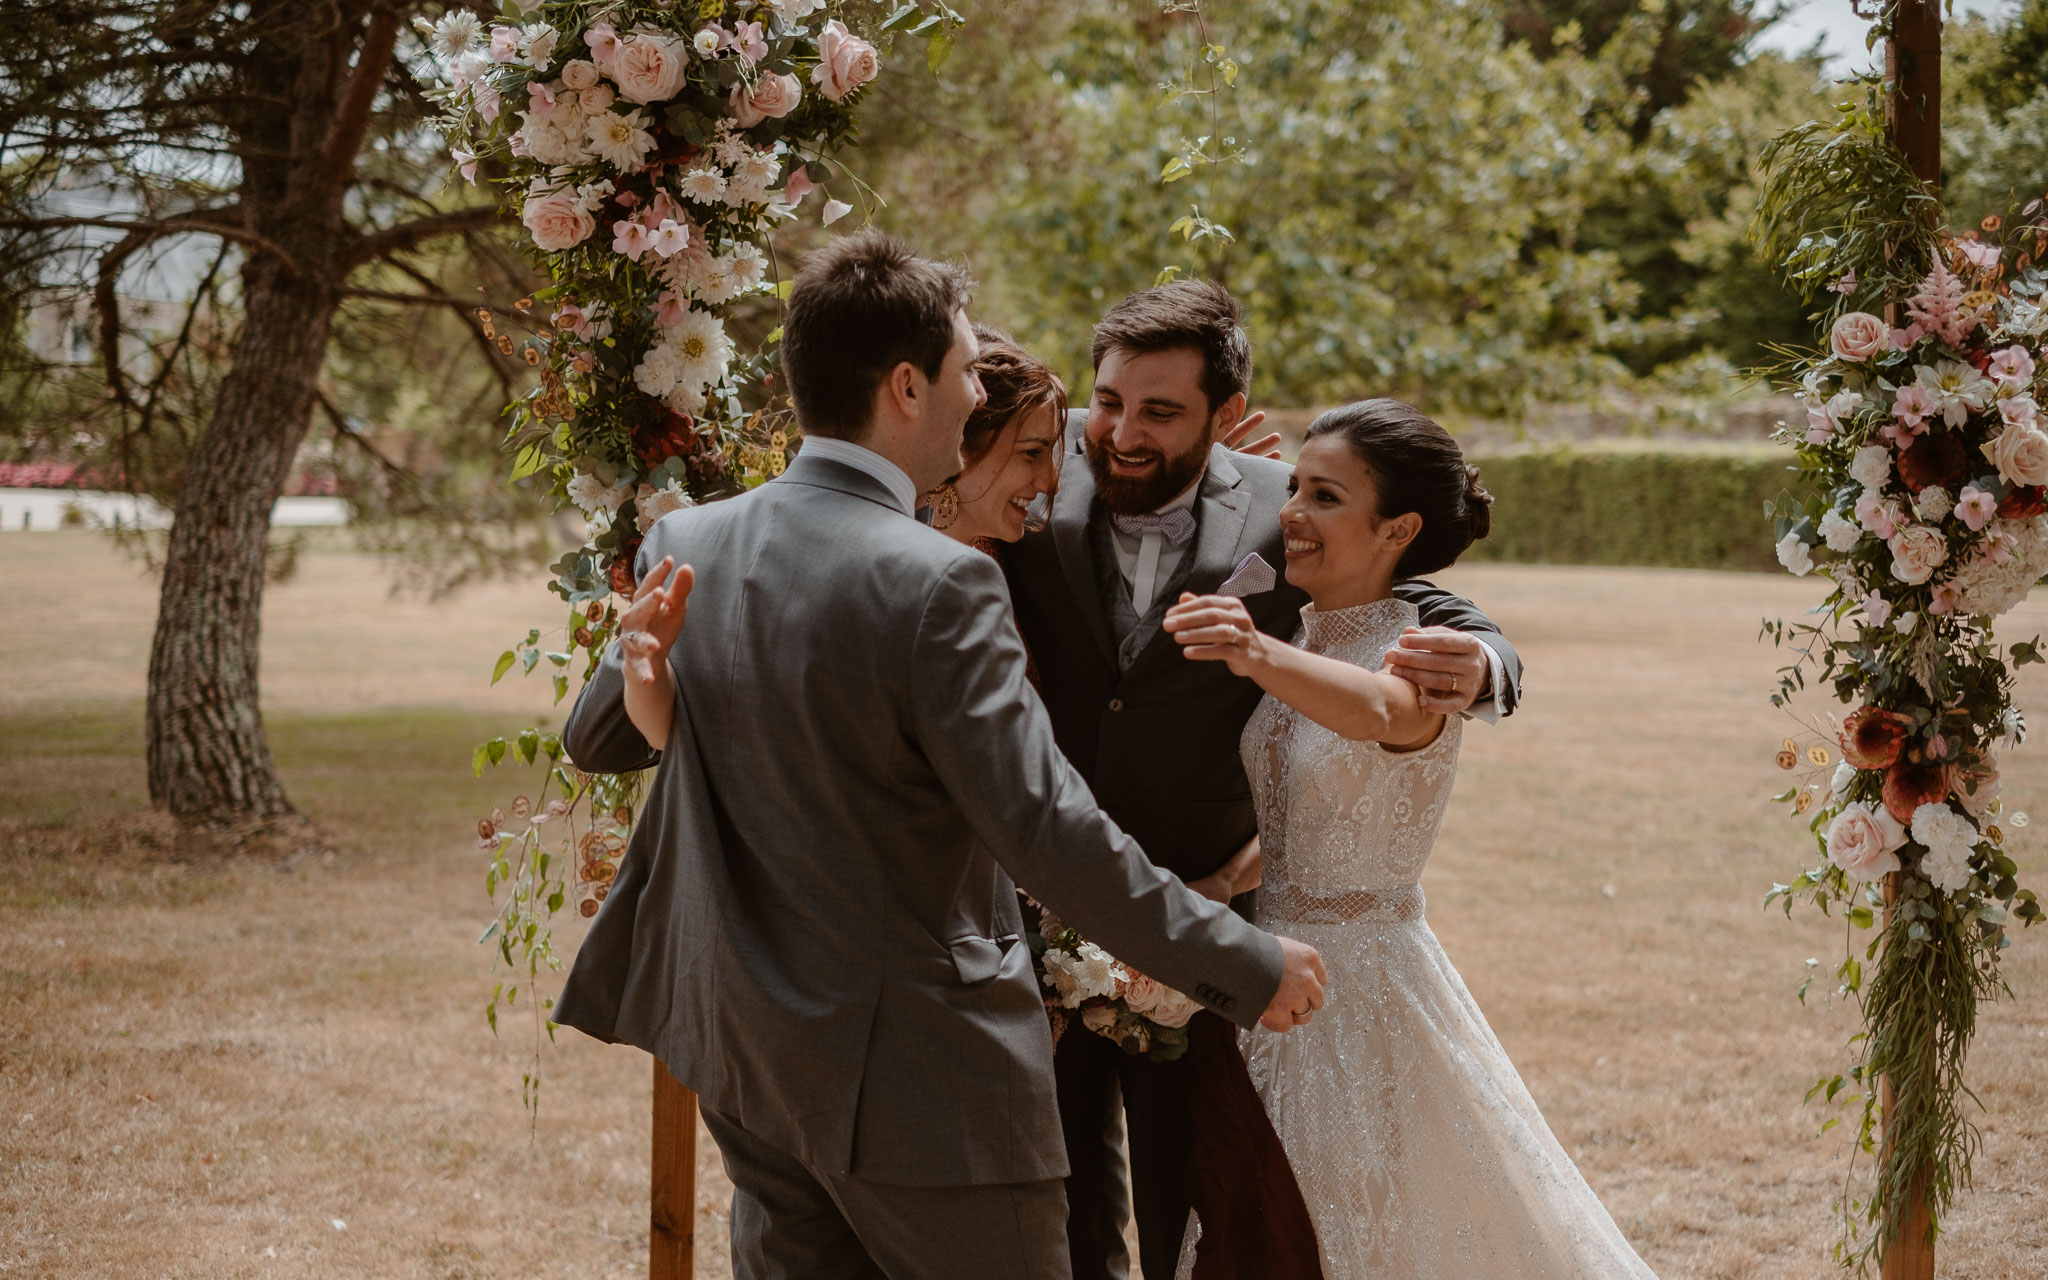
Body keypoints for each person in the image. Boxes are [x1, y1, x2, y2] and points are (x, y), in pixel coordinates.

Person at [548, 230, 1328, 1280]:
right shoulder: (937, 582)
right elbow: (1041, 825)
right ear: (905, 386)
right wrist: (1238, 957)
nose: (976, 395)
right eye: (966, 370)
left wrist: (638, 670)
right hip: (921, 1080)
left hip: (743, 1052)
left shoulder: (690, 539)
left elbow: (592, 738)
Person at [1000, 281, 1524, 1280]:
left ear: (1220, 415)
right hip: (1040, 911)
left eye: (1160, 411)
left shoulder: (1281, 512)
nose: (1119, 432)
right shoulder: (1029, 470)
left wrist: (1488, 656)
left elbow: (1399, 592)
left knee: (1194, 1213)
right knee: (1055, 1219)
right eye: (1108, 401)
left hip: (1206, 939)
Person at [1162, 400, 1657, 1279]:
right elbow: (1300, 817)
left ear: (1398, 529)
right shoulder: (1302, 631)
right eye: (1296, 489)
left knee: (1364, 1217)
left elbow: (1384, 716)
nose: (1292, 515)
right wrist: (1219, 886)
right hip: (1266, 963)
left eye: (1322, 497)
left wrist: (1249, 653)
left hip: (1366, 980)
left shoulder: (1424, 651)